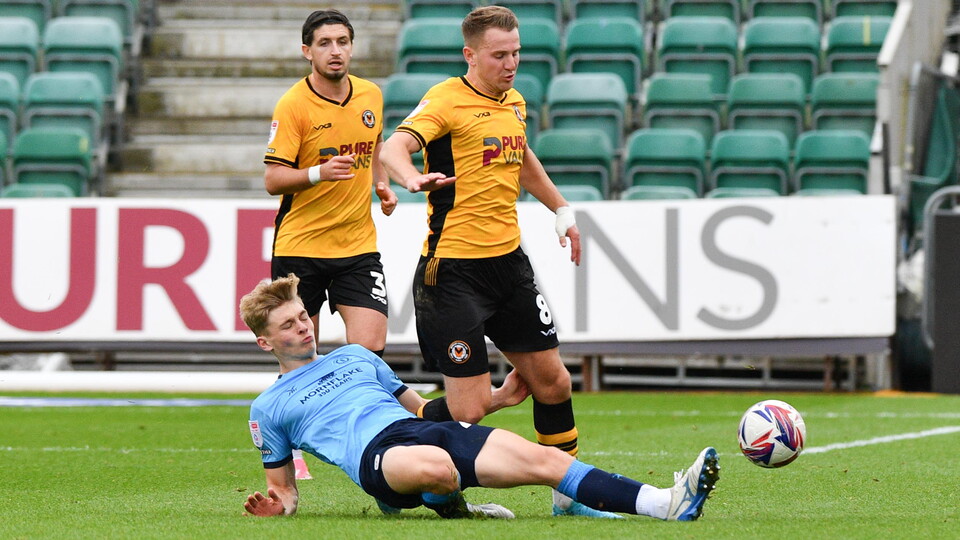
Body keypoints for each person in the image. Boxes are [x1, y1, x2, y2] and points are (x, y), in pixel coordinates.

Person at [239, 275, 721, 520]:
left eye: (302, 316)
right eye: (289, 324)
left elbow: (421, 409)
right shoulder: (269, 407)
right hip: (375, 455)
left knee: (547, 461)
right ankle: (454, 506)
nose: (303, 327)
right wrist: (279, 506)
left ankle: (665, 502)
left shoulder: (357, 356)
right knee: (437, 468)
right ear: (265, 342)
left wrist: (497, 400)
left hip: (423, 430)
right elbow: (284, 488)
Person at [379, 5, 606, 517]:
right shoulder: (445, 99)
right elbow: (395, 146)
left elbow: (521, 158)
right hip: (452, 274)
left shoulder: (515, 102)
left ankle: (569, 496)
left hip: (509, 267)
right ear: (470, 55)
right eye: (499, 55)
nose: (511, 64)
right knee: (471, 410)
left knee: (554, 382)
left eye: (516, 53)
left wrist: (562, 210)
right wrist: (410, 177)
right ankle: (398, 453)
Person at [264, 9, 397, 480]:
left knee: (370, 347)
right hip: (301, 248)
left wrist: (381, 183)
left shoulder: (371, 94)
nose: (335, 51)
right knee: (299, 354)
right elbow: (273, 179)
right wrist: (319, 172)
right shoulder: (293, 106)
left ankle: (369, 431)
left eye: (342, 41)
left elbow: (373, 145)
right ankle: (287, 443)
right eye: (324, 43)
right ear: (307, 51)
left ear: (352, 47)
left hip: (357, 246)